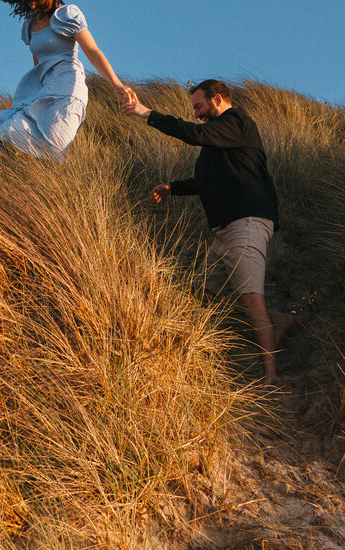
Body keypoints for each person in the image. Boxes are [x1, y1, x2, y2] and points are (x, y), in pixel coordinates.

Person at [121, 80, 295, 385]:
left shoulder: (237, 122)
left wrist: (147, 113)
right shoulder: (219, 143)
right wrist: (173, 188)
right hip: (225, 232)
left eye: (199, 107)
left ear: (217, 99)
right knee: (201, 292)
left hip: (248, 224)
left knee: (252, 301)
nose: (197, 114)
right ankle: (278, 320)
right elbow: (206, 181)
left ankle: (270, 379)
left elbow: (194, 134)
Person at [0, 0, 131, 161]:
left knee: (54, 142)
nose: (33, 5)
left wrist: (116, 83)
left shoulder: (66, 14)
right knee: (7, 128)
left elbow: (93, 51)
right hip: (43, 88)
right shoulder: (30, 24)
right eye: (29, 1)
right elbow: (38, 63)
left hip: (67, 87)